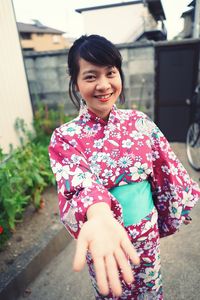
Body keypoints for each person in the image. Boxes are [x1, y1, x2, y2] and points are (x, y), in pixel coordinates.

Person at [48, 35, 200, 299]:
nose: (104, 85)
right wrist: (99, 215)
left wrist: (177, 204)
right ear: (75, 82)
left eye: (111, 73)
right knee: (112, 293)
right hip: (102, 240)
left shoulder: (140, 122)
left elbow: (167, 169)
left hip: (146, 236)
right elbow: (79, 182)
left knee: (151, 292)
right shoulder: (66, 137)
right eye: (91, 76)